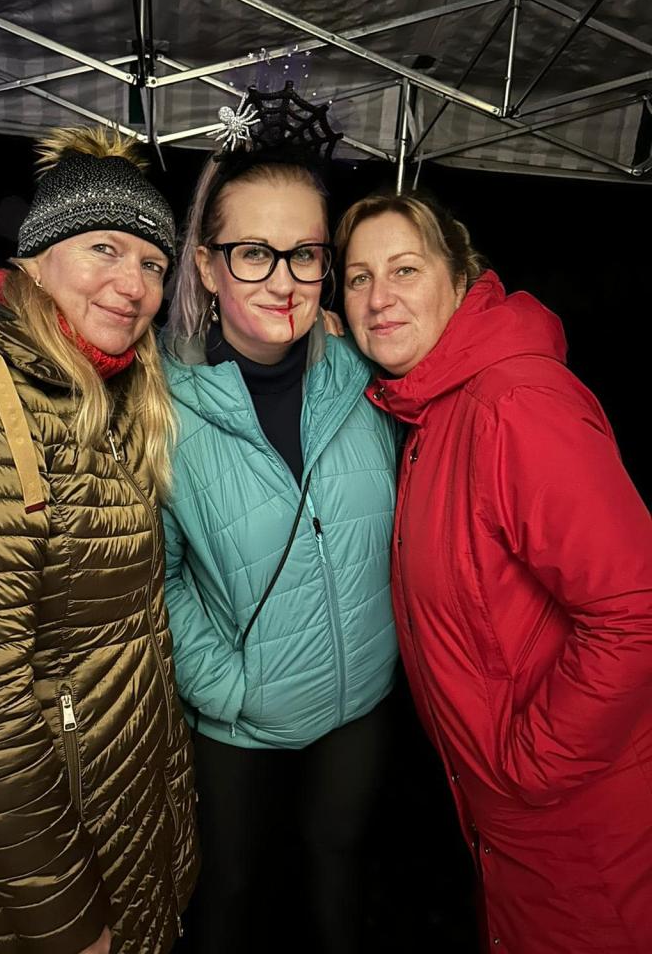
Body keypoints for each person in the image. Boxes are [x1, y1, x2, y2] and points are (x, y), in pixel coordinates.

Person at [0, 127, 198, 954]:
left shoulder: (102, 392)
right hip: (25, 890)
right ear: (37, 256)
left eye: (153, 264)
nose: (132, 285)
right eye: (105, 249)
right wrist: (72, 926)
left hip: (111, 823)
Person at [339, 190, 652, 954]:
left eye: (405, 270)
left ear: (460, 278)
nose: (378, 298)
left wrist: (531, 767)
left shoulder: (514, 404)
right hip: (517, 827)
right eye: (357, 278)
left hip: (582, 824)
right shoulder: (433, 409)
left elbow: (637, 611)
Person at [160, 85, 400, 954]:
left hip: (360, 702)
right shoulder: (163, 408)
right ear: (208, 263)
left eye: (305, 254)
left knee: (338, 877)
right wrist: (227, 686)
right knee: (229, 892)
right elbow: (158, 575)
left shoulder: (370, 377)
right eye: (254, 253)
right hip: (240, 715)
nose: (285, 281)